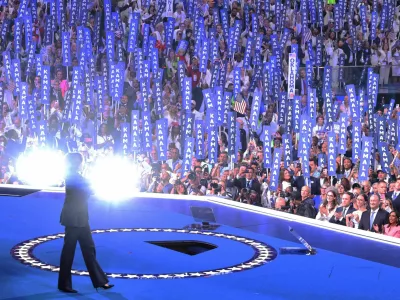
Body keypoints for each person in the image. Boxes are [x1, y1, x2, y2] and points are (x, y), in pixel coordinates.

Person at [58, 152, 114, 293]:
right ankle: (64, 284)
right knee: (68, 252)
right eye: (80, 161)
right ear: (76, 163)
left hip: (81, 218)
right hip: (73, 219)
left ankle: (100, 281)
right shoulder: (72, 176)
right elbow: (89, 189)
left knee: (89, 249)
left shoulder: (76, 176)